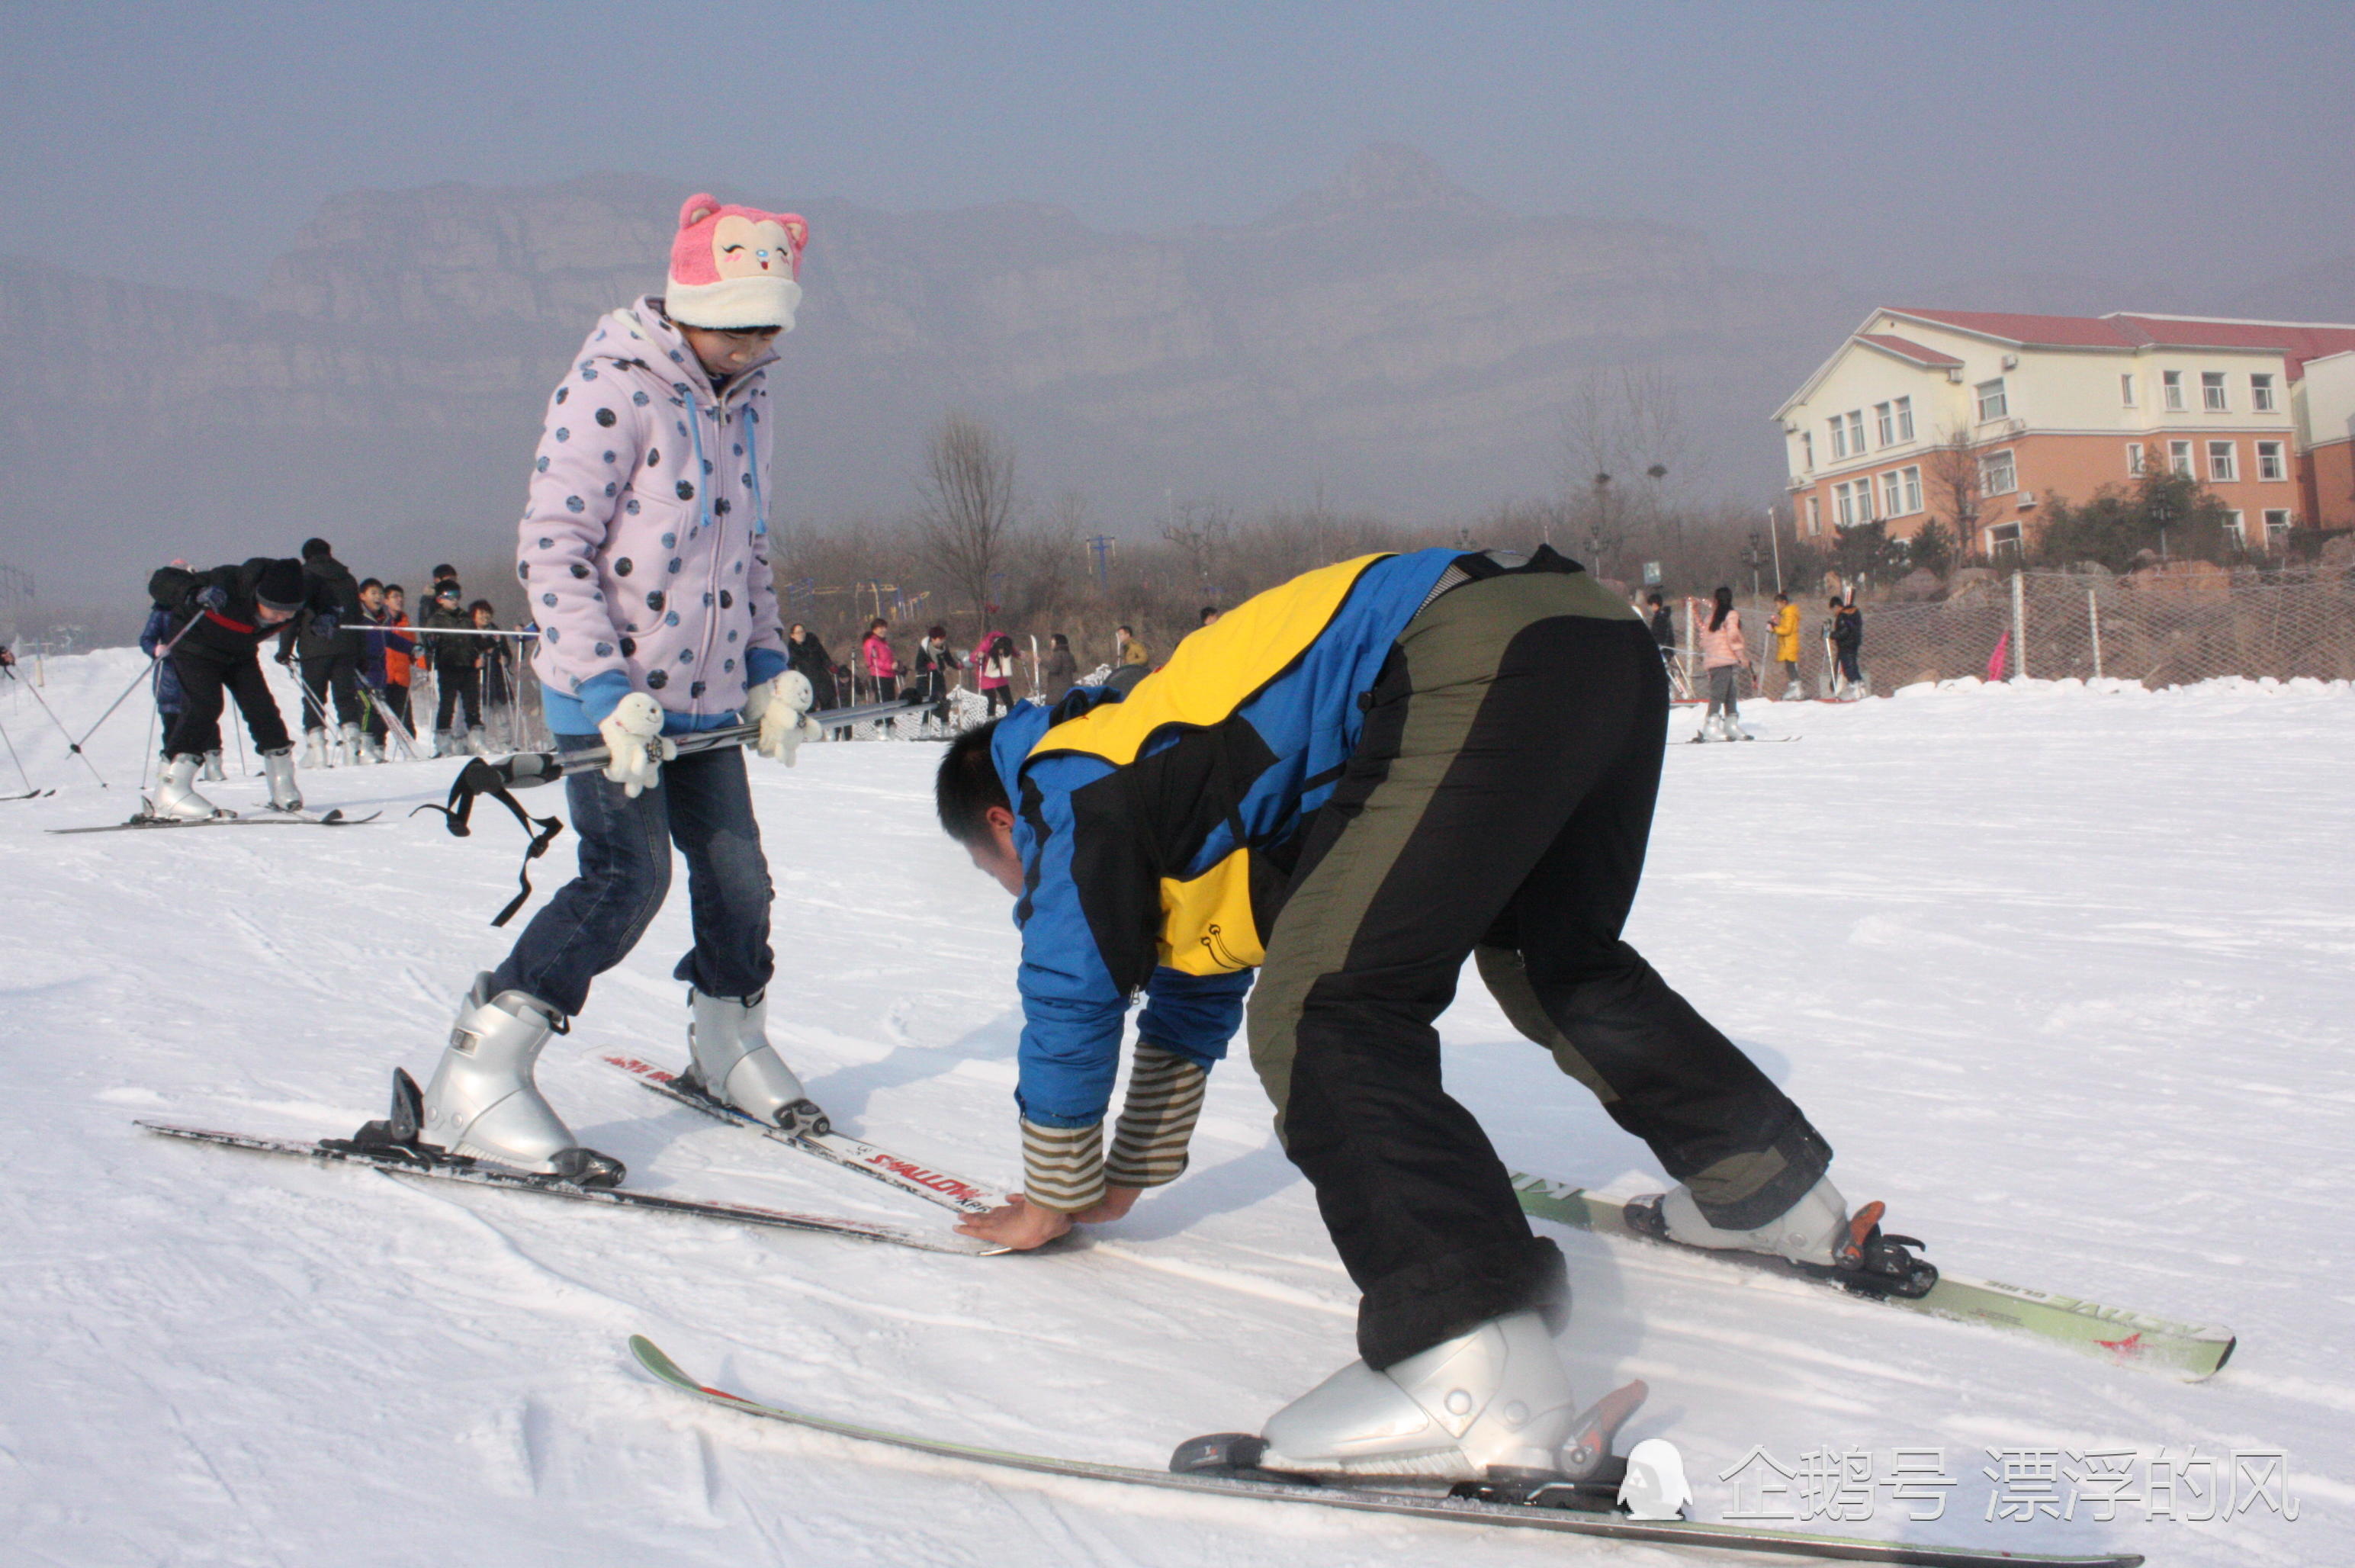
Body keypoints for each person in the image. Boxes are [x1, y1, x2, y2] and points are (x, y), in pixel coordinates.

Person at [933, 545, 1856, 1481]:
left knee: (1328, 1008)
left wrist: (1052, 1194)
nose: (1016, 887)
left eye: (993, 872)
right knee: (1556, 957)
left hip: (1463, 649)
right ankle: (1765, 1189)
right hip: (1592, 637)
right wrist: (1126, 1174)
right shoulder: (1152, 746)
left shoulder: (1064, 780)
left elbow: (1070, 982)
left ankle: (1470, 1365)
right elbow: (1198, 969)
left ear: (1001, 823)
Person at [358, 191, 827, 1187]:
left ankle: (725, 1043)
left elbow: (748, 553)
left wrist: (768, 669)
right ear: (692, 298)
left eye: (766, 329)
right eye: (737, 326)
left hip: (701, 702)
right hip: (605, 701)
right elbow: (552, 546)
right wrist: (610, 689)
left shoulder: (751, 404)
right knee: (628, 876)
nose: (751, 347)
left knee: (738, 874)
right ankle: (476, 1072)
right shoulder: (615, 386)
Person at [145, 557, 338, 818]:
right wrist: (194, 593)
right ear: (258, 597)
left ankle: (282, 783)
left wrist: (328, 614)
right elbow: (162, 580)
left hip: (240, 652)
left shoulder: (303, 586)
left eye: (288, 614)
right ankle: (171, 790)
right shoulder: (228, 581)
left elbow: (324, 593)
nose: (279, 619)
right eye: (274, 611)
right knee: (206, 706)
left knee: (263, 710)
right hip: (196, 648)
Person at [278, 538, 368, 768]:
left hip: (314, 645)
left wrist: (284, 649)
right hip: (347, 645)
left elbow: (293, 616)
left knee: (314, 697)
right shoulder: (348, 578)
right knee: (346, 697)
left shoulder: (302, 577)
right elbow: (357, 616)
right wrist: (362, 651)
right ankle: (351, 749)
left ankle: (317, 751)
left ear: (305, 556)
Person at [422, 583, 484, 755]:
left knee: (472, 704)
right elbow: (428, 639)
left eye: (457, 596)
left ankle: (477, 741)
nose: (455, 600)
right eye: (450, 597)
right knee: (447, 705)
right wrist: (432, 642)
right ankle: (443, 744)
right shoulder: (437, 618)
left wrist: (485, 647)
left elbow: (476, 640)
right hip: (448, 666)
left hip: (468, 665)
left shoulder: (465, 617)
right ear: (440, 599)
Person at [368, 583, 419, 757]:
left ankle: (411, 751)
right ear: (386, 600)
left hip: (402, 677)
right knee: (380, 719)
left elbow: (413, 650)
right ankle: (377, 751)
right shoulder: (380, 620)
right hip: (384, 676)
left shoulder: (406, 623)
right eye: (395, 596)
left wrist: (422, 664)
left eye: (401, 596)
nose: (400, 600)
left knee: (405, 718)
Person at [1692, 586, 1749, 741]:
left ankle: (1730, 725)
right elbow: (1733, 636)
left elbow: (1703, 638)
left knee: (1731, 693)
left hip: (1715, 660)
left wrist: (1696, 613)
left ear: (1716, 600)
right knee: (1718, 694)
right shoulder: (1731, 615)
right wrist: (1741, 656)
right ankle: (1711, 726)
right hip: (1723, 660)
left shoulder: (1711, 618)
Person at [473, 599, 516, 747]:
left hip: (498, 679)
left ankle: (506, 743)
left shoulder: (497, 632)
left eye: (488, 613)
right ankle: (481, 743)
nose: (485, 616)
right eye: (482, 613)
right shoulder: (470, 632)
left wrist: (506, 659)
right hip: (479, 680)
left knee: (502, 716)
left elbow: (507, 653)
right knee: (481, 714)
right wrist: (475, 663)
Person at [912, 625, 959, 718]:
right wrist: (928, 667)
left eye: (943, 639)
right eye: (940, 639)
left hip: (939, 676)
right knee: (930, 703)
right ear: (933, 639)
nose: (942, 641)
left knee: (943, 701)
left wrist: (957, 665)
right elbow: (918, 667)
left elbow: (949, 660)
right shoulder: (924, 649)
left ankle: (945, 724)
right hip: (927, 680)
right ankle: (926, 726)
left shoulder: (944, 647)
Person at [972, 628, 1017, 717]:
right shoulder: (987, 644)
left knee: (1008, 700)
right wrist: (978, 655)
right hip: (986, 676)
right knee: (992, 700)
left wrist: (1019, 654)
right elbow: (972, 657)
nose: (1002, 652)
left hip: (1000, 675)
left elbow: (1013, 651)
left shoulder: (1006, 643)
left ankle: (1012, 719)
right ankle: (991, 720)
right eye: (1001, 650)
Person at [1769, 590, 1802, 700]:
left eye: (1778, 604)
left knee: (1791, 666)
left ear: (1784, 603)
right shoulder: (1785, 614)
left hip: (1789, 644)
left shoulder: (1789, 613)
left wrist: (1774, 629)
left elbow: (1787, 630)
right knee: (1789, 667)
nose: (1777, 607)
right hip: (1787, 644)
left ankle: (1796, 688)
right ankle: (1795, 687)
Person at [1830, 595, 1865, 698]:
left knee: (1848, 667)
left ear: (1836, 607)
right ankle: (1860, 687)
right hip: (1854, 643)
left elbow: (1844, 631)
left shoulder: (1843, 616)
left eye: (1833, 610)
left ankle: (1855, 689)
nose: (1833, 613)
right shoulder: (1853, 613)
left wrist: (1832, 635)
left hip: (1846, 645)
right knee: (1853, 666)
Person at [861, 617, 898, 703]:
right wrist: (890, 666)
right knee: (884, 704)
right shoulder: (871, 642)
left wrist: (895, 666)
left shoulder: (883, 642)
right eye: (881, 628)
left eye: (885, 627)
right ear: (874, 629)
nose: (884, 630)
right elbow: (873, 661)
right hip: (880, 677)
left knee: (891, 703)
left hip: (889, 676)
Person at [1108, 624, 1151, 696]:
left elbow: (1144, 659)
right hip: (1129, 678)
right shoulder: (1124, 648)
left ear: (1127, 635)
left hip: (1136, 678)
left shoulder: (1135, 646)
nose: (1119, 637)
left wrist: (1131, 665)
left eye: (1121, 634)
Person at [1040, 631, 1078, 704]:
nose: (1051, 643)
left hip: (1057, 693)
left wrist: (1041, 662)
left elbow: (1054, 668)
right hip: (1068, 690)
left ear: (1058, 642)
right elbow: (1074, 668)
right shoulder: (1069, 655)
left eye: (1053, 641)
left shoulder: (1058, 654)